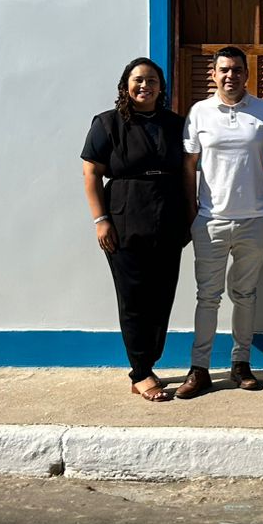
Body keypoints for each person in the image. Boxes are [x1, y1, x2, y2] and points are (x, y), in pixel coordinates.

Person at [179, 46, 263, 399]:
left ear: (246, 73)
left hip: (255, 221)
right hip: (210, 220)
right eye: (224, 70)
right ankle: (200, 369)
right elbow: (188, 166)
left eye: (237, 70)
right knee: (207, 297)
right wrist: (192, 208)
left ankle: (241, 364)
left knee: (245, 295)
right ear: (213, 74)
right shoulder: (199, 113)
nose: (231, 76)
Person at [81, 58, 190, 402]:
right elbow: (90, 174)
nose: (145, 86)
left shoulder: (175, 124)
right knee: (133, 299)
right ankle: (140, 371)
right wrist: (101, 220)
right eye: (138, 80)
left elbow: (188, 172)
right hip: (124, 220)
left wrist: (190, 215)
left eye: (152, 80)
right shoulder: (107, 123)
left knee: (162, 296)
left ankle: (150, 360)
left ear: (161, 86)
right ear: (125, 85)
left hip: (168, 217)